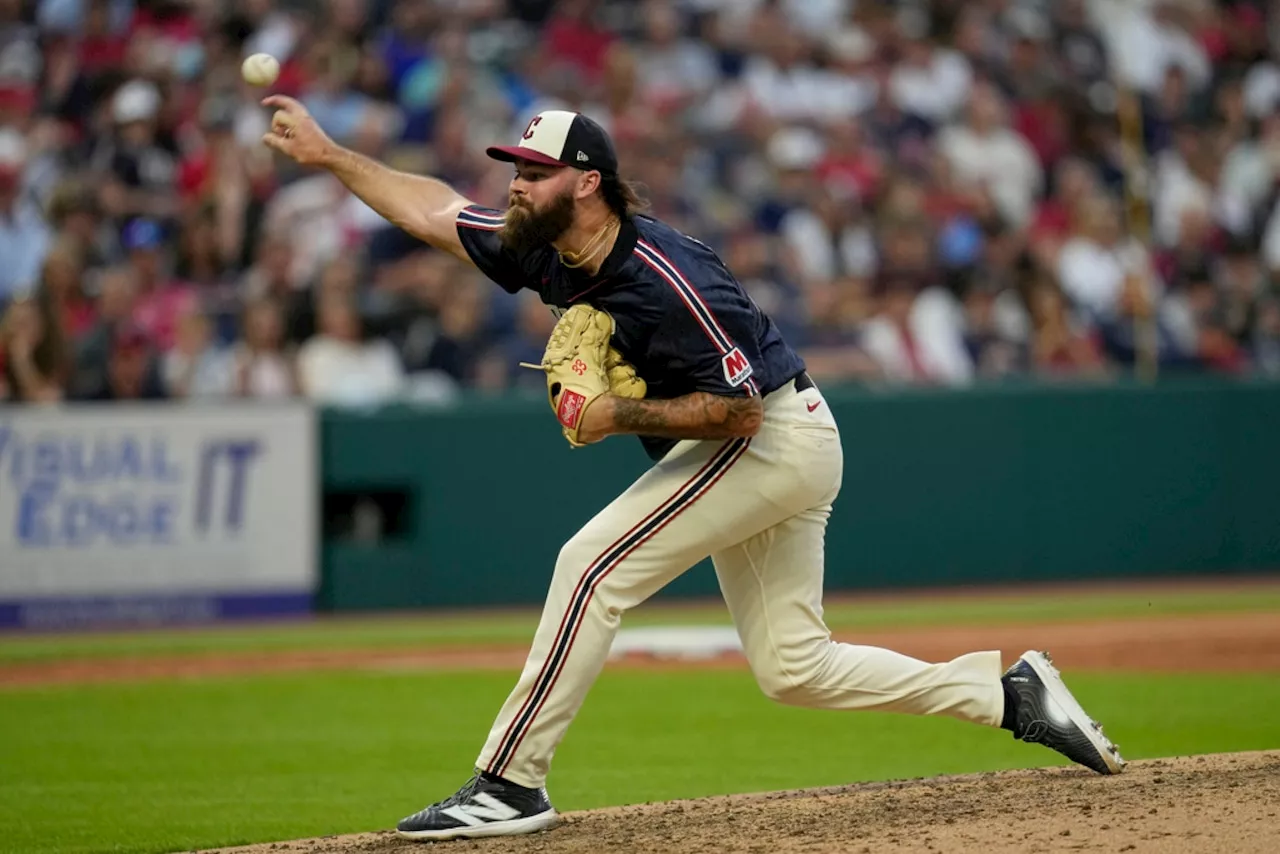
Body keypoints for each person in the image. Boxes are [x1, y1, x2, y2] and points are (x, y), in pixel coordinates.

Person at [261, 96, 1125, 842]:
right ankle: (1008, 696)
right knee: (794, 667)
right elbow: (432, 212)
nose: (515, 183)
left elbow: (744, 410)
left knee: (591, 566)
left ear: (586, 182)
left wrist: (614, 415)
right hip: (755, 445)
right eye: (514, 167)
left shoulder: (667, 278)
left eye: (533, 169)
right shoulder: (544, 246)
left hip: (772, 438)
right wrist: (332, 153)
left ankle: (508, 783)